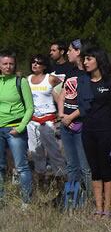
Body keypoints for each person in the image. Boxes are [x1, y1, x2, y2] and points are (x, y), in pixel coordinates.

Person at [80, 46, 111, 218]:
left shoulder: (110, 81)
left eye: (89, 59)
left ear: (98, 60)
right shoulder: (83, 80)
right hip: (87, 130)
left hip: (106, 129)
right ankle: (98, 208)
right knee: (94, 169)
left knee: (106, 169)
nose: (85, 62)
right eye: (84, 59)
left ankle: (108, 209)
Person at [57, 39, 92, 196]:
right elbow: (62, 94)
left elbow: (87, 103)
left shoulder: (88, 73)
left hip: (81, 124)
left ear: (78, 51)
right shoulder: (70, 72)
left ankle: (91, 199)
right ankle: (73, 198)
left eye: (70, 50)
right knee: (71, 164)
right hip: (65, 123)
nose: (68, 52)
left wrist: (71, 117)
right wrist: (62, 115)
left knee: (85, 166)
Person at [0, 50, 34, 206]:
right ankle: (1, 200)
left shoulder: (21, 82)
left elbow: (30, 108)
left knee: (21, 167)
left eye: (11, 64)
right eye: (5, 64)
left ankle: (26, 202)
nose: (8, 67)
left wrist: (20, 128)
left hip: (15, 129)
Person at [26, 54, 66, 184]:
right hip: (32, 120)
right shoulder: (28, 79)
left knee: (53, 150)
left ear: (44, 65)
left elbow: (62, 92)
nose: (35, 64)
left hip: (48, 119)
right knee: (35, 151)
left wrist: (62, 110)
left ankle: (61, 178)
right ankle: (41, 180)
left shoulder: (51, 79)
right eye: (33, 62)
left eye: (38, 62)